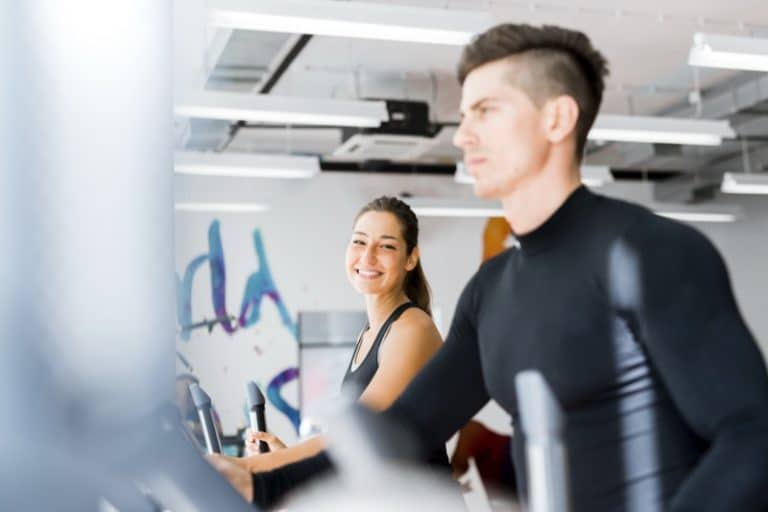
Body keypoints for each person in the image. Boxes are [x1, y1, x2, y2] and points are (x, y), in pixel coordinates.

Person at [382, 23, 768, 511]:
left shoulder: (646, 252)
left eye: (486, 111)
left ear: (557, 119)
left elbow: (752, 436)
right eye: (464, 116)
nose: (462, 135)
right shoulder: (490, 290)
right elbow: (405, 429)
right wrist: (282, 476)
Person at [211, 196, 446, 505]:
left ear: (411, 258)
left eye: (386, 246)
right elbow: (359, 452)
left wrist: (248, 467)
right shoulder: (369, 334)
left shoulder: (412, 329)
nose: (368, 256)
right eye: (359, 242)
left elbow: (356, 437)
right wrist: (284, 457)